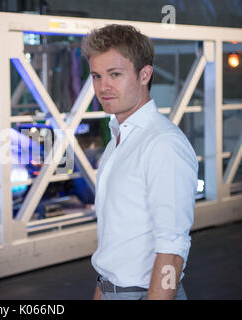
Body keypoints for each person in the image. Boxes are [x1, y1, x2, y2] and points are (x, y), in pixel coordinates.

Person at [81, 24, 198, 300]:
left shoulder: (163, 144)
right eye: (97, 76)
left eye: (115, 74)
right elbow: (116, 244)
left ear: (145, 74)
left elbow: (172, 247)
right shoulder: (118, 140)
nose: (103, 87)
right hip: (111, 290)